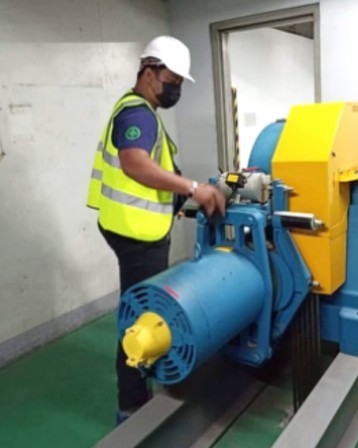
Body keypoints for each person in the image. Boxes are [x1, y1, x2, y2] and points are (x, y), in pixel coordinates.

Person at [86, 35, 226, 424]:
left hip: (130, 227)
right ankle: (131, 407)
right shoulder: (138, 114)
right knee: (141, 318)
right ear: (149, 72)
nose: (175, 89)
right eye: (171, 81)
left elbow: (155, 169)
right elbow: (135, 164)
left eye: (179, 83)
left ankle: (139, 393)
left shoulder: (140, 109)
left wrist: (179, 198)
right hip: (137, 234)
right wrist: (194, 188)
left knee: (141, 309)